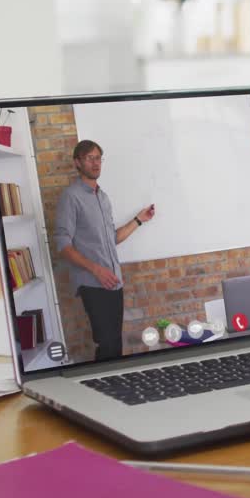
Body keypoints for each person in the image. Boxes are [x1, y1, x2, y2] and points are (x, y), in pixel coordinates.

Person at [53, 140, 155, 361]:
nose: (95, 162)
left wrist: (139, 220)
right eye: (89, 158)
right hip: (93, 283)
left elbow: (112, 239)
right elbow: (63, 245)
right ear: (77, 163)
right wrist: (97, 270)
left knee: (115, 342)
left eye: (98, 157)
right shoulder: (70, 197)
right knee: (107, 344)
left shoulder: (103, 197)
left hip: (114, 282)